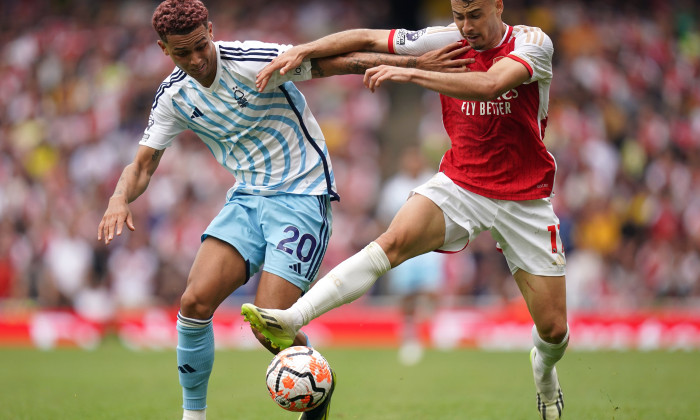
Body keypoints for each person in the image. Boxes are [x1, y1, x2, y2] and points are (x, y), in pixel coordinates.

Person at [96, 1, 473, 419]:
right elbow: (143, 165)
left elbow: (338, 62)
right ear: (164, 49)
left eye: (201, 45)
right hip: (247, 198)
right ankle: (193, 416)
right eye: (183, 53)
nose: (197, 59)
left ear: (211, 29)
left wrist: (416, 62)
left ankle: (317, 388)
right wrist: (118, 198)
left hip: (302, 195)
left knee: (273, 327)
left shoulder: (251, 60)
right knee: (194, 302)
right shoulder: (174, 97)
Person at [241, 1, 569, 419]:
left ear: (498, 5)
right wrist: (304, 49)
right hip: (462, 185)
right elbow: (366, 37)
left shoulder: (532, 43)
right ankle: (291, 317)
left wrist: (412, 71)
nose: (465, 26)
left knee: (554, 331)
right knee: (391, 242)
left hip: (525, 198)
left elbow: (490, 84)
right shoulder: (446, 40)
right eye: (458, 15)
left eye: (475, 14)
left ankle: (543, 371)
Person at [375, 146, 446, 366]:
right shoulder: (393, 188)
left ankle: (431, 331)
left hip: (429, 247)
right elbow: (384, 217)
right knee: (406, 294)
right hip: (404, 248)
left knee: (431, 291)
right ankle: (409, 333)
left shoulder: (432, 182)